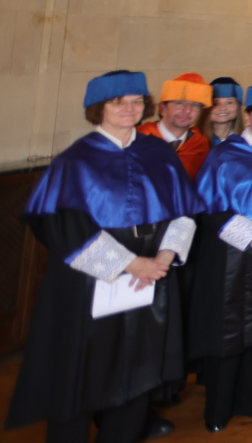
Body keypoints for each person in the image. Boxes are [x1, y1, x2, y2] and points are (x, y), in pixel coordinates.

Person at [6, 71, 201, 443]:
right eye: (118, 102)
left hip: (152, 276)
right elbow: (66, 230)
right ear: (98, 109)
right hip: (91, 282)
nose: (129, 109)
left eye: (136, 101)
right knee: (82, 372)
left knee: (139, 369)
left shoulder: (158, 153)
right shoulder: (75, 161)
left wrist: (164, 255)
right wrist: (131, 264)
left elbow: (184, 212)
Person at [188, 82, 252, 433]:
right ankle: (218, 408)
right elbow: (207, 206)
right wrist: (251, 237)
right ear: (247, 115)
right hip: (230, 253)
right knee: (227, 329)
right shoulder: (224, 154)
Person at [140, 73, 214, 179]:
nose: (187, 110)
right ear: (162, 108)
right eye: (179, 103)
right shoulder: (139, 137)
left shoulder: (200, 144)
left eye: (195, 105)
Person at [206, 77, 243, 146]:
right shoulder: (194, 142)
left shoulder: (246, 143)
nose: (222, 108)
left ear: (238, 106)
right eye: (216, 103)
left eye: (229, 102)